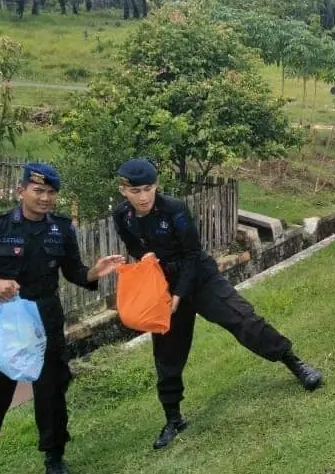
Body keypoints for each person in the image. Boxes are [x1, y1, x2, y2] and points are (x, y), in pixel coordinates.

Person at [110, 158, 323, 450]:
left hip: (199, 278)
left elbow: (193, 254)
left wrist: (180, 293)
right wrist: (152, 274)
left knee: (244, 320)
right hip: (164, 286)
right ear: (123, 190)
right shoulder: (122, 216)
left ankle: (295, 363)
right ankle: (173, 419)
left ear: (156, 185)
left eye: (148, 188)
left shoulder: (174, 209)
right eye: (136, 191)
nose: (144, 196)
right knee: (167, 354)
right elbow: (136, 248)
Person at [0, 163, 126, 474]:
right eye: (38, 191)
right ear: (21, 191)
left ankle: (54, 457)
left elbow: (74, 271)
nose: (45, 198)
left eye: (51, 193)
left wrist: (93, 272)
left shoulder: (61, 228)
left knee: (51, 392)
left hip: (45, 320)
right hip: (5, 321)